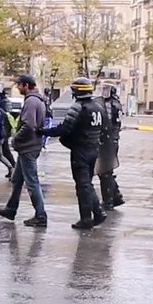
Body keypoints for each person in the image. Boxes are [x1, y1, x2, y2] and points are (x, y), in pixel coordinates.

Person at [42, 77, 106, 230]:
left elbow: (64, 129)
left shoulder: (78, 107)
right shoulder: (98, 107)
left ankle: (86, 219)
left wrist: (43, 131)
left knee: (82, 186)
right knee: (87, 183)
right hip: (93, 149)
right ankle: (98, 213)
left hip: (80, 151)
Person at [0, 74, 49, 227]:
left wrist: (15, 138)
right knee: (17, 179)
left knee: (32, 182)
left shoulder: (31, 101)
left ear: (26, 85)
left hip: (28, 147)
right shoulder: (37, 100)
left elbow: (29, 125)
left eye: (19, 85)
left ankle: (41, 216)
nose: (18, 88)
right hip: (31, 146)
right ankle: (11, 209)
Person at [97, 85, 125, 210]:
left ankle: (108, 200)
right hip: (113, 139)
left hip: (108, 140)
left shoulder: (109, 105)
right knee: (106, 171)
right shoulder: (117, 103)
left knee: (104, 172)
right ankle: (116, 196)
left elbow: (106, 123)